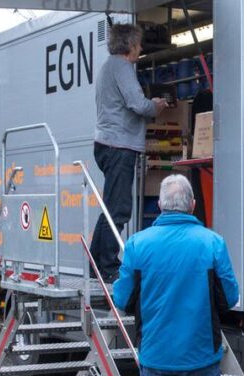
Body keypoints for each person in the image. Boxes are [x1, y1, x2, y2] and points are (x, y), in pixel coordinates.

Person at [113, 174, 238, 376]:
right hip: (201, 352)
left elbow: (122, 298)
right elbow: (230, 298)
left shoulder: (137, 244)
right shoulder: (212, 243)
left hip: (156, 353)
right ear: (193, 205)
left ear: (159, 204)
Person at [90, 23, 168, 283]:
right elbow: (137, 103)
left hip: (107, 144)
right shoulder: (122, 67)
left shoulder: (107, 67)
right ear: (129, 45)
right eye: (139, 43)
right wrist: (154, 106)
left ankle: (96, 263)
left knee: (111, 207)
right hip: (119, 146)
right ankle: (109, 266)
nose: (141, 48)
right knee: (119, 209)